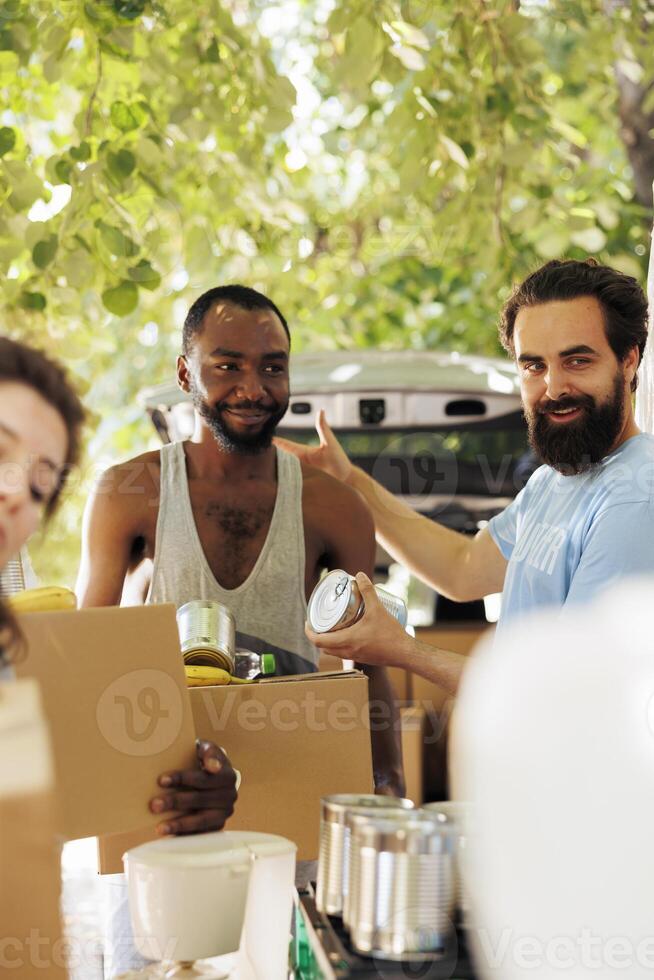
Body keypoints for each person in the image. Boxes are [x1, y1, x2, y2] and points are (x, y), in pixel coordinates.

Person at [76, 284, 404, 793]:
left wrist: (389, 782)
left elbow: (368, 665)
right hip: (170, 784)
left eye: (272, 368)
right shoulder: (129, 492)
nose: (253, 389)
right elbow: (88, 649)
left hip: (292, 781)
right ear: (186, 372)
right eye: (228, 366)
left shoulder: (334, 506)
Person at [276, 258, 654, 692]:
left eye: (577, 361)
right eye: (534, 366)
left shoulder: (636, 498)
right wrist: (351, 482)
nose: (553, 387)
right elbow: (463, 568)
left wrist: (402, 649)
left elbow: (569, 694)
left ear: (628, 361)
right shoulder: (552, 482)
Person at [0, 337, 240, 976]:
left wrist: (200, 790)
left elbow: (72, 779)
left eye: (42, 481)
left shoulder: (14, 652)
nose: (15, 494)